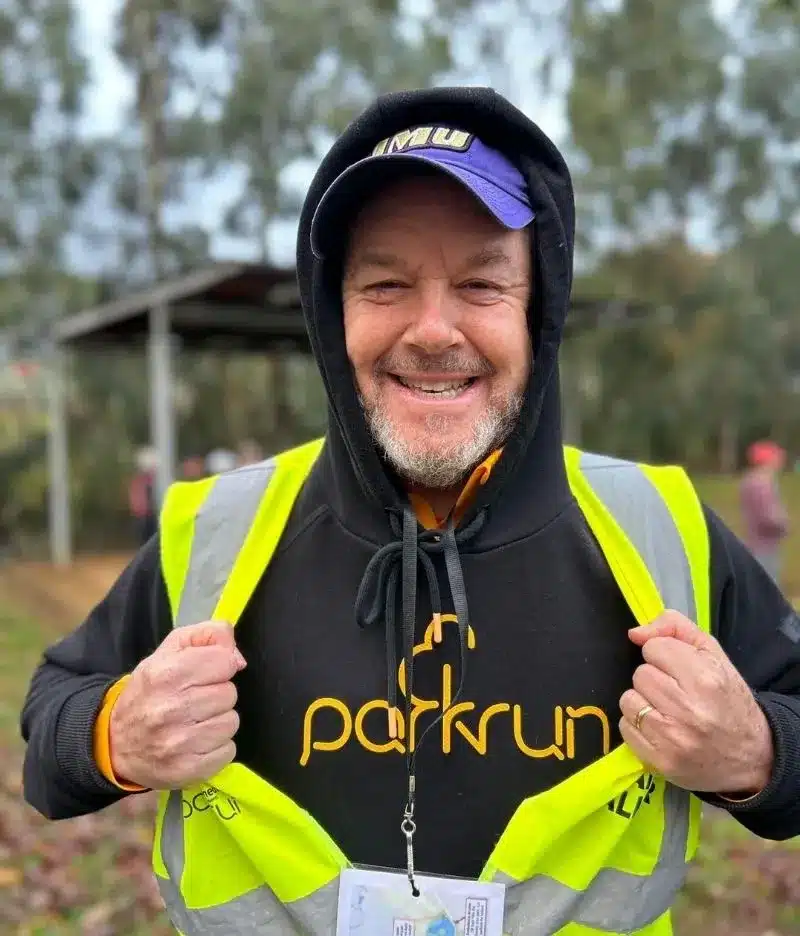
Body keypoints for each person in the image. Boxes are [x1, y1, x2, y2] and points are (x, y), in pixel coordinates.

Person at [20, 88, 800, 936]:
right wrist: (112, 735)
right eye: (387, 283)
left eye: (481, 283)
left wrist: (756, 751)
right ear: (334, 313)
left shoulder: (661, 525)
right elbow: (51, 721)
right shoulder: (216, 529)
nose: (433, 329)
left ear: (537, 310)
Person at [740, 440, 789, 584]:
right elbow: (768, 518)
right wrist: (784, 524)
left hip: (757, 543)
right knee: (767, 585)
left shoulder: (751, 480)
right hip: (764, 546)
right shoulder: (761, 483)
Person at [127, 446, 158, 546]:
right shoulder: (141, 481)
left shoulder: (144, 481)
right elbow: (137, 502)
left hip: (148, 516)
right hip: (145, 517)